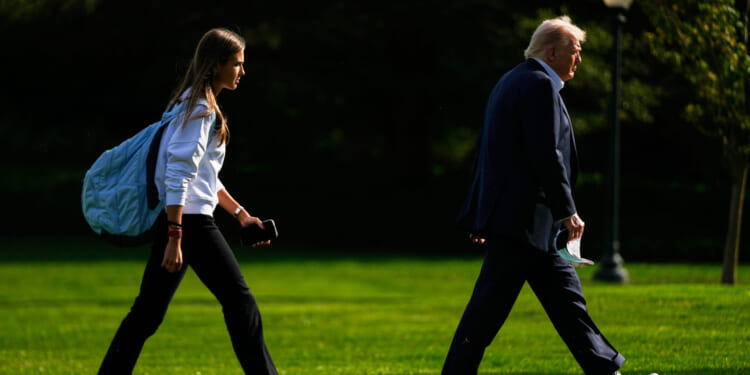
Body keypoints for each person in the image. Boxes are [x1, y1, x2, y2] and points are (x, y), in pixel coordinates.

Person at [442, 16, 626, 375]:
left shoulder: (511, 81)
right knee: (485, 314)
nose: (579, 59)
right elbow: (546, 156)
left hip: (529, 228)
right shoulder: (539, 85)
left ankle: (607, 370)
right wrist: (567, 212)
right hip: (525, 226)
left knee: (569, 307)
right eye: (575, 51)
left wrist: (482, 213)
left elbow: (489, 155)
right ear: (553, 52)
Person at [98, 28, 278, 375]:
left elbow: (202, 177)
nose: (242, 71)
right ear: (217, 65)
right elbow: (178, 175)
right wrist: (175, 236)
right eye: (237, 64)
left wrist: (241, 215)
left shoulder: (188, 103)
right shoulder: (198, 109)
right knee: (241, 303)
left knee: (146, 315)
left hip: (184, 219)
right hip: (190, 222)